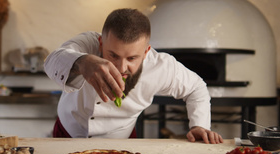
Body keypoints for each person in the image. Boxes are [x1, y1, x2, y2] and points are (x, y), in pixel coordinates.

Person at [44, 8, 223, 144]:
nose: (122, 67)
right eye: (113, 55)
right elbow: (52, 60)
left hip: (121, 140)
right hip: (68, 132)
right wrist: (82, 62)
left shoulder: (161, 66)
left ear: (146, 52)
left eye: (132, 58)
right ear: (100, 43)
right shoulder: (88, 43)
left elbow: (196, 87)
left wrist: (199, 125)